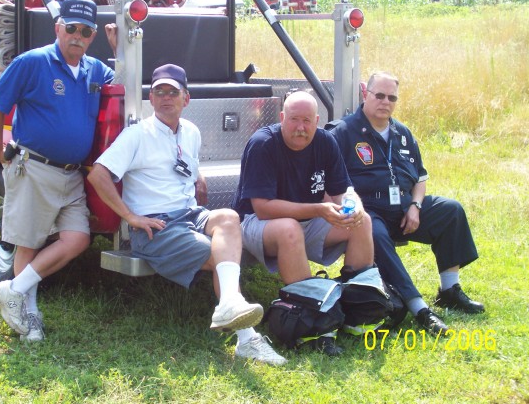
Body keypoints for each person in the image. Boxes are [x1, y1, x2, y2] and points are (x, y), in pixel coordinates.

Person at [87, 64, 287, 366]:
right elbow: (98, 175)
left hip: (191, 213)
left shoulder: (191, 131)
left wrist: (199, 178)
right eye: (159, 92)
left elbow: (187, 167)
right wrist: (131, 217)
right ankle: (247, 338)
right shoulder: (136, 135)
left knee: (230, 218)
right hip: (157, 225)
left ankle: (229, 305)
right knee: (219, 254)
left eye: (173, 92)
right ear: (151, 100)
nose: (166, 97)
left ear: (186, 99)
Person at [0, 0, 116, 342]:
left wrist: (120, 49)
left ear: (92, 36)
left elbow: (125, 84)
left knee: (77, 239)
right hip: (34, 168)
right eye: (70, 28)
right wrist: (0, 151)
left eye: (85, 31)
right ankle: (29, 319)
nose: (77, 36)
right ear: (58, 27)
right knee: (27, 244)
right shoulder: (33, 62)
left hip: (72, 173)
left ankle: (13, 291)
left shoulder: (94, 69)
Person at [328, 71, 484, 335]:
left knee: (451, 211)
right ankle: (420, 308)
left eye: (392, 97)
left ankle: (449, 290)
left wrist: (416, 206)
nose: (385, 102)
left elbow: (420, 178)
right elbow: (332, 180)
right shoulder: (343, 132)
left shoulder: (403, 133)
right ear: (365, 94)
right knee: (375, 232)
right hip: (368, 212)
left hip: (403, 209)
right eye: (379, 95)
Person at [231, 91, 376, 353]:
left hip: (307, 218)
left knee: (362, 221)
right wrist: (319, 209)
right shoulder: (263, 143)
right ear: (282, 117)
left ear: (317, 120)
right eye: (294, 120)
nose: (301, 128)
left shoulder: (325, 142)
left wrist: (354, 205)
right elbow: (262, 209)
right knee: (289, 229)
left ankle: (359, 313)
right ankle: (310, 325)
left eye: (307, 121)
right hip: (255, 224)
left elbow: (343, 190)